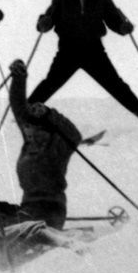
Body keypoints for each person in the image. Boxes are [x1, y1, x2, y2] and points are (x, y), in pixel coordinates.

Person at [31, 0, 138, 125]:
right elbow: (48, 18)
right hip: (68, 50)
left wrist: (123, 27)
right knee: (51, 83)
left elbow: (113, 19)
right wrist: (43, 24)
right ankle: (24, 111)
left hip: (93, 49)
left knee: (115, 84)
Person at [9, 59, 82, 229]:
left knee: (21, 232)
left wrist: (50, 114)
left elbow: (75, 135)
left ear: (41, 128)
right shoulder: (30, 141)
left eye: (30, 126)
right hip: (27, 205)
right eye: (25, 126)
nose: (25, 128)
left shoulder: (56, 146)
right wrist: (19, 78)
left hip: (50, 208)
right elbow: (18, 107)